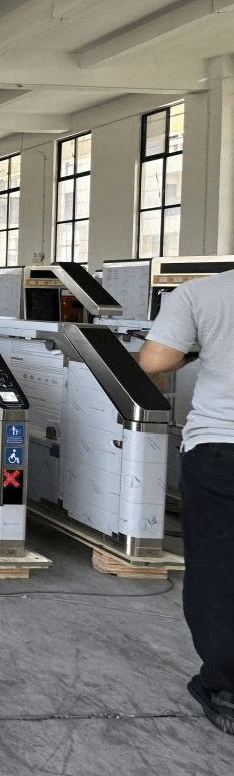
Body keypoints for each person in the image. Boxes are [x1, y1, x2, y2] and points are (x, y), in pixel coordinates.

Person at [138, 269, 234, 736]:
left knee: (218, 569)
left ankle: (226, 688)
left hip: (222, 446)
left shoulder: (200, 293)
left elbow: (155, 360)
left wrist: (199, 345)